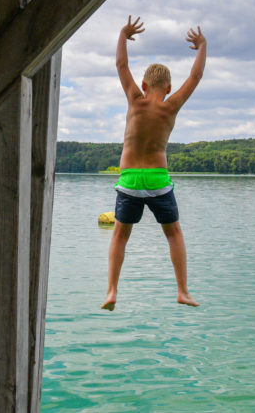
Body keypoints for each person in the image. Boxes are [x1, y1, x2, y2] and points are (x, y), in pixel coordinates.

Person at [101, 16, 206, 311]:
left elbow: (121, 66)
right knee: (174, 234)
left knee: (120, 236)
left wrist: (123, 34)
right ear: (169, 87)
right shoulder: (172, 106)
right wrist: (202, 46)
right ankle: (183, 291)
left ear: (145, 84)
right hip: (159, 180)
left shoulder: (135, 99)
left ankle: (111, 291)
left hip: (130, 179)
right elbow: (195, 78)